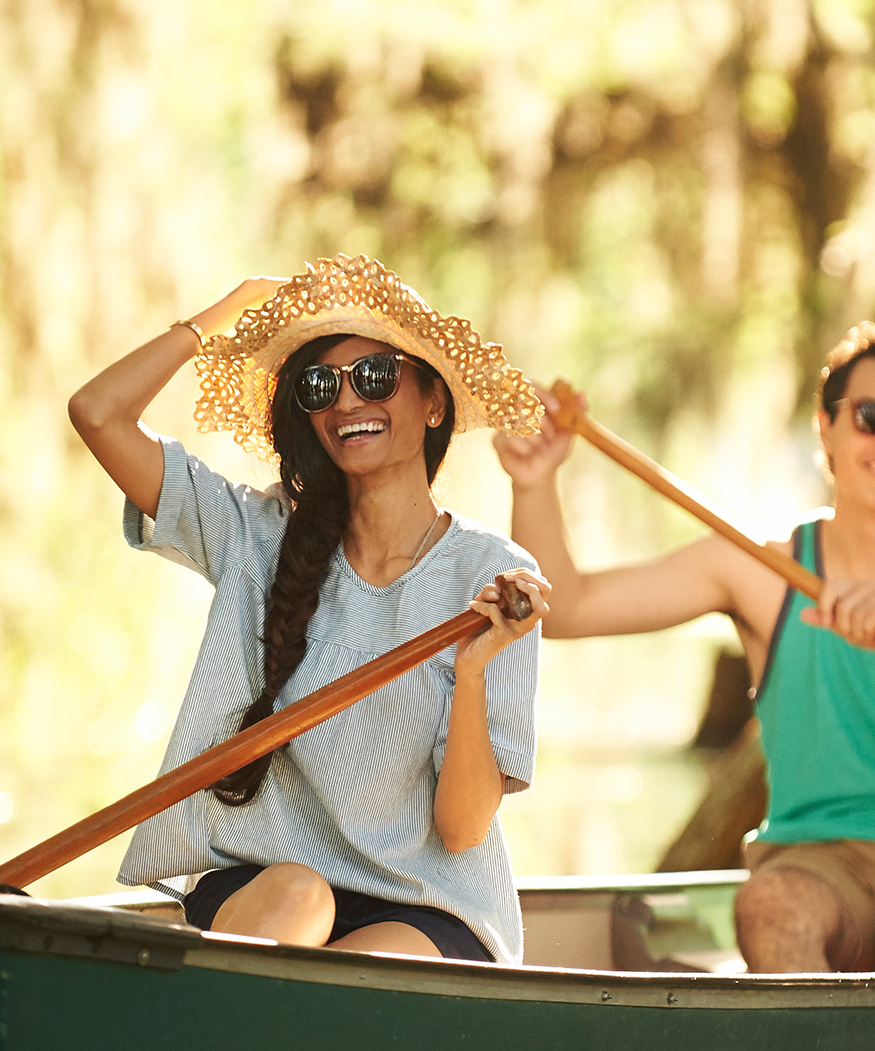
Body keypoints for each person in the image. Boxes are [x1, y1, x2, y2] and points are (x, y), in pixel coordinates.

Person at [494, 319, 875, 973]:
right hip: (814, 859)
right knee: (771, 906)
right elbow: (569, 607)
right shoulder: (761, 570)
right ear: (826, 427)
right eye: (872, 416)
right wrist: (533, 482)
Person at [69, 253, 549, 964]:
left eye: (376, 377)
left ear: (434, 402)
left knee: (364, 973)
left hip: (423, 903)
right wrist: (218, 319)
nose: (348, 403)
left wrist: (474, 669)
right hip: (268, 887)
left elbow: (461, 830)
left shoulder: (490, 578)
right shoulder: (255, 536)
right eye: (321, 387)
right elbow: (97, 413)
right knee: (301, 900)